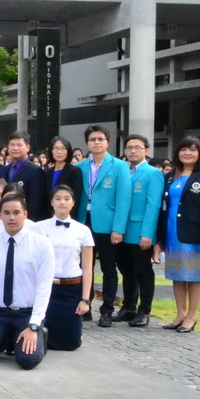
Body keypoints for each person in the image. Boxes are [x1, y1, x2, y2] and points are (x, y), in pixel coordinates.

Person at [0, 193, 54, 369]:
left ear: (25, 214)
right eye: (6, 213)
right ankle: (5, 338)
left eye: (16, 212)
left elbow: (44, 288)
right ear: (0, 215)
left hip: (26, 313)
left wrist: (34, 326)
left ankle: (39, 335)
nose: (11, 217)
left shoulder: (42, 245)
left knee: (28, 360)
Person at [76, 124, 131, 327]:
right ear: (87, 143)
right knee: (85, 266)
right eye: (92, 139)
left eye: (100, 139)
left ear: (107, 142)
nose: (96, 142)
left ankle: (107, 309)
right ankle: (85, 305)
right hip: (84, 221)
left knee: (109, 268)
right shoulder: (81, 167)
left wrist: (118, 229)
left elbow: (124, 199)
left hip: (107, 224)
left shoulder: (119, 166)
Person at [34, 185, 94, 351]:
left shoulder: (83, 230)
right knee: (41, 338)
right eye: (58, 198)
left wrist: (85, 300)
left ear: (73, 203)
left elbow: (87, 267)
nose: (62, 202)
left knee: (71, 343)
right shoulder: (39, 228)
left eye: (67, 199)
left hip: (71, 290)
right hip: (46, 287)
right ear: (51, 202)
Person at [114, 134, 164, 327]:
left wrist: (148, 234)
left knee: (143, 271)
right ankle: (129, 307)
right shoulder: (123, 171)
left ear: (146, 151)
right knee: (126, 270)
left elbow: (153, 205)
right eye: (129, 148)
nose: (132, 151)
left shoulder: (153, 173)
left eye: (137, 147)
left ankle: (144, 310)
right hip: (122, 229)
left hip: (140, 230)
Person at [157, 136, 200, 333]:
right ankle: (180, 314)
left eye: (192, 149)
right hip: (172, 233)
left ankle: (192, 317)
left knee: (194, 276)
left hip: (194, 234)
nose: (187, 153)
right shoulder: (171, 176)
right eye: (184, 149)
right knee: (177, 275)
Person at [4, 131, 47, 222]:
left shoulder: (35, 171)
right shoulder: (5, 169)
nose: (15, 148)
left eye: (19, 145)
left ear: (27, 148)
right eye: (12, 145)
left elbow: (36, 203)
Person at [43, 136, 83, 220]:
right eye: (56, 148)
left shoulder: (74, 172)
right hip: (48, 218)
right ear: (51, 151)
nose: (59, 152)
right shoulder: (47, 173)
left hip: (67, 218)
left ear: (68, 151)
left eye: (63, 148)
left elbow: (76, 198)